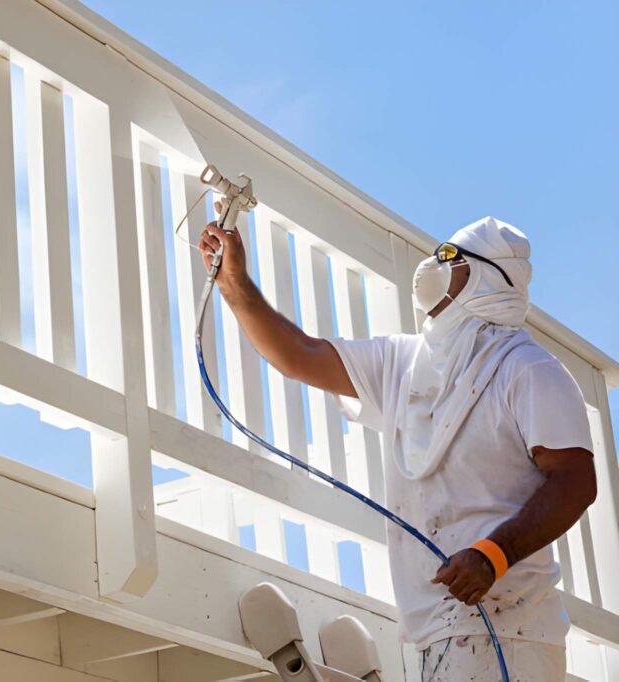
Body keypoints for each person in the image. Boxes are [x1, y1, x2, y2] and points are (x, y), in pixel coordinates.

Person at [199, 215, 597, 681]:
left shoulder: (529, 369)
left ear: (487, 275)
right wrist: (235, 284)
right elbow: (298, 355)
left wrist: (493, 554)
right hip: (430, 631)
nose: (435, 263)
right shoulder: (402, 361)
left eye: (451, 256)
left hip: (512, 628)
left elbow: (575, 481)